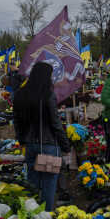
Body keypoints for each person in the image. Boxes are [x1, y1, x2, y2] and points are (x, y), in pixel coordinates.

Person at [13, 62, 70, 211]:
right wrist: (65, 145)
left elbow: (17, 120)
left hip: (30, 145)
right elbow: (55, 123)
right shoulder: (47, 95)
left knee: (32, 184)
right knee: (48, 185)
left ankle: (31, 217)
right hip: (48, 145)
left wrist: (21, 139)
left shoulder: (21, 93)